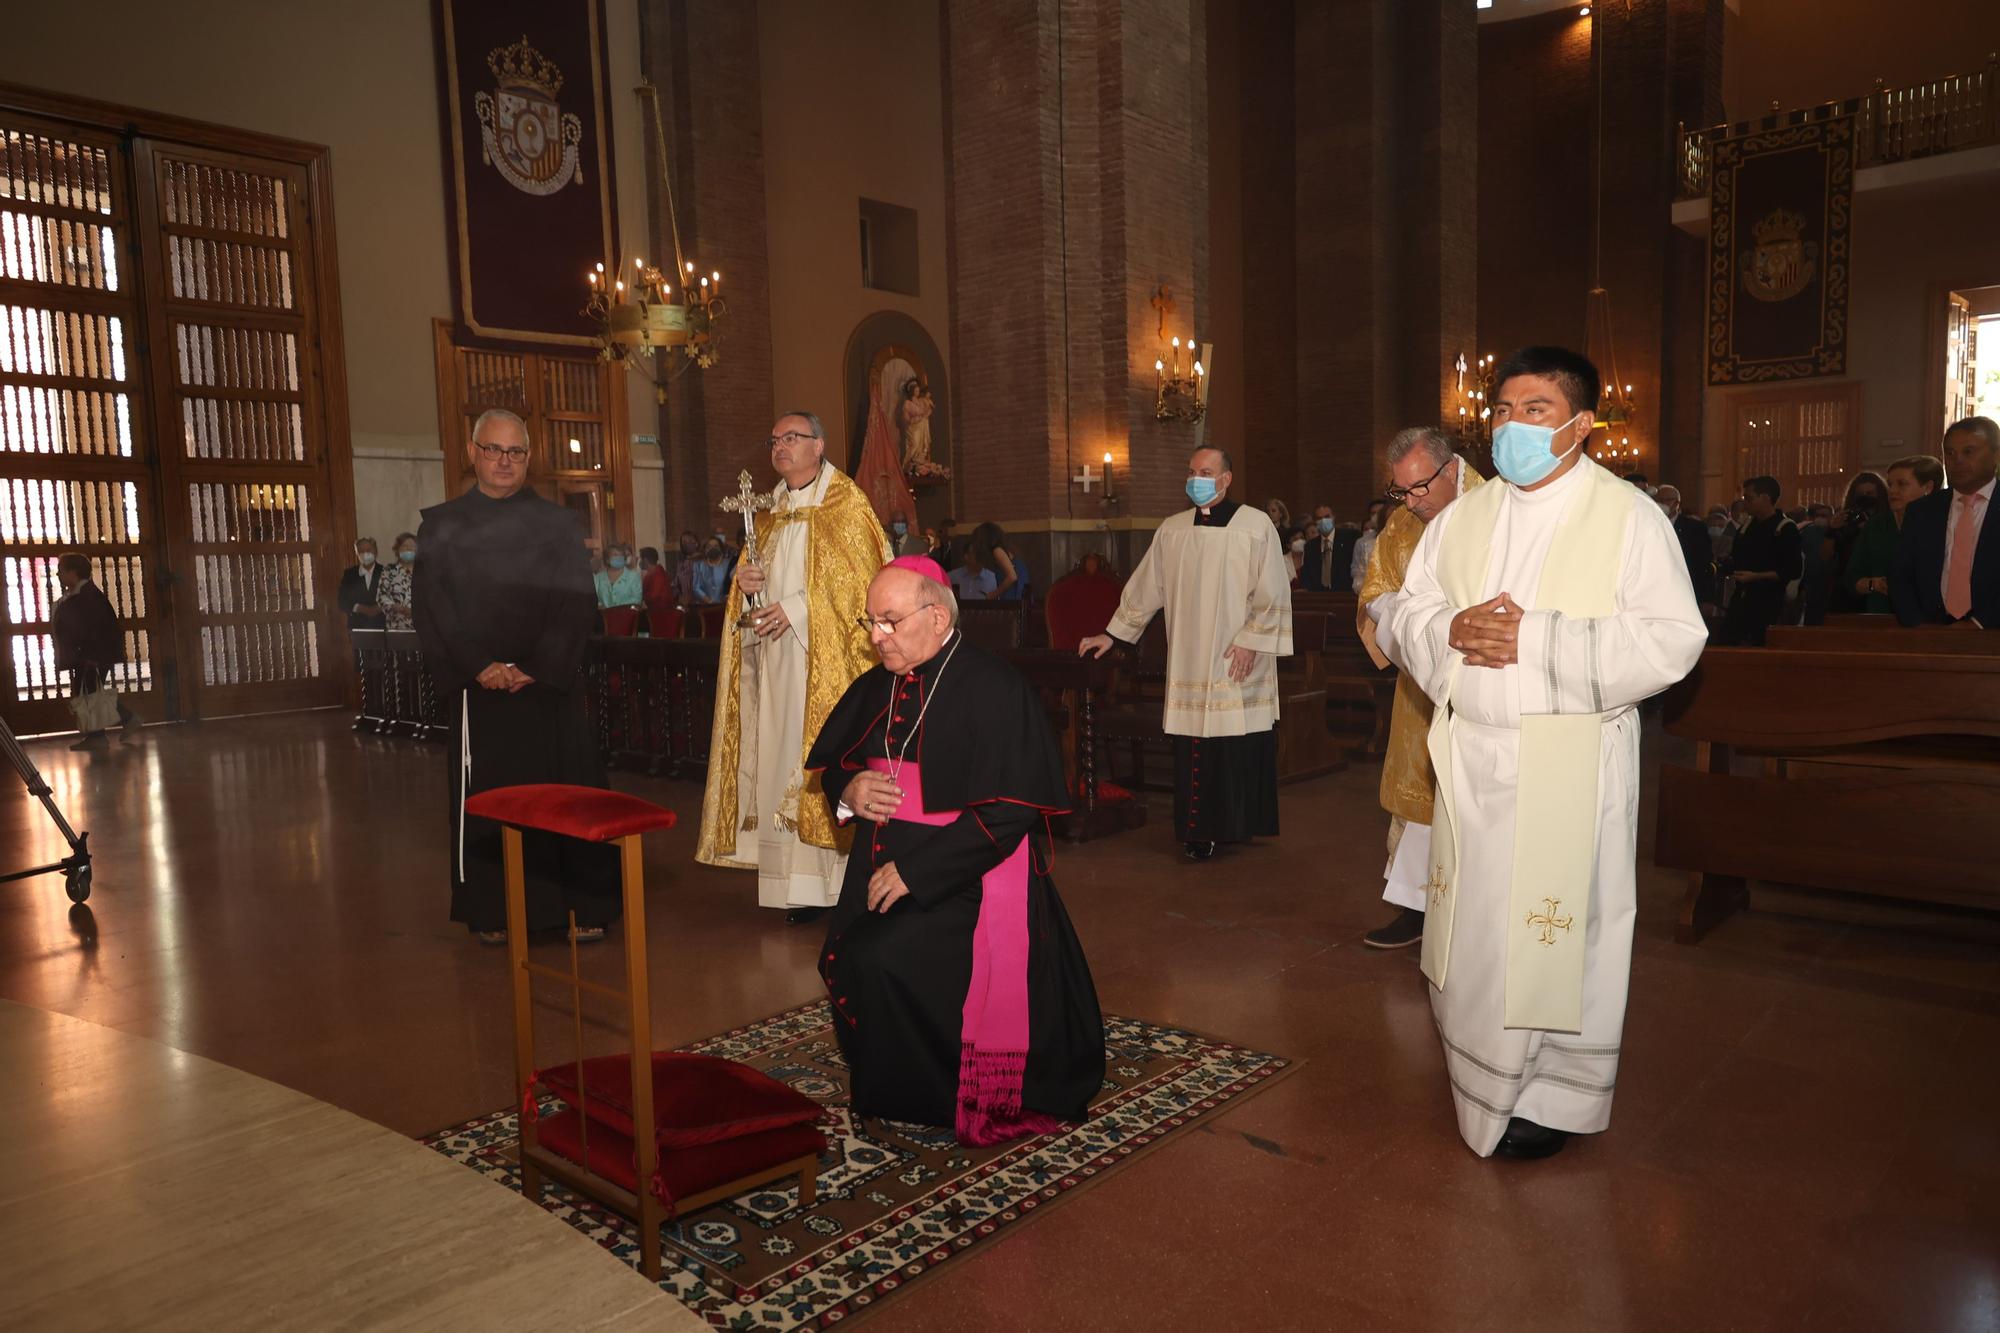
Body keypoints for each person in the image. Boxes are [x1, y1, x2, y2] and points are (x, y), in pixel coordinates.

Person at [1377, 345, 1705, 1160]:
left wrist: (1538, 638)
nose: (1511, 426)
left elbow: (1673, 639)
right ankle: (1479, 1073)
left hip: (1569, 763)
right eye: (1502, 410)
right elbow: (1404, 611)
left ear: (1581, 426)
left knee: (1557, 936)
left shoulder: (1629, 517)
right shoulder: (1460, 518)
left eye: (1536, 411)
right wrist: (1450, 628)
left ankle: (1552, 1095)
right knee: (1482, 932)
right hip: (1474, 761)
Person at [806, 557, 1103, 1142]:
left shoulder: (994, 687)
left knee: (884, 956)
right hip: (878, 860)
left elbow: (1011, 811)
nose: (875, 636)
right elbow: (835, 765)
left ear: (936, 616)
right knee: (853, 951)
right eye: (869, 621)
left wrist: (917, 872)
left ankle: (934, 1096)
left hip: (968, 869)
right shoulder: (876, 685)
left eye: (889, 621)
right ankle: (892, 1084)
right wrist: (849, 789)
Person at [414, 408, 618, 945]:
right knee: (490, 800)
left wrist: (536, 667)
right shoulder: (442, 525)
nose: (504, 461)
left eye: (516, 452)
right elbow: (432, 607)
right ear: (472, 452)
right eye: (493, 449)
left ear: (528, 458)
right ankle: (496, 909)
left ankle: (584, 905)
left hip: (546, 685)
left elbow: (577, 603)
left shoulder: (556, 524)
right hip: (479, 691)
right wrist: (478, 665)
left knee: (568, 794)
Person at [696, 412, 891, 923]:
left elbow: (863, 587)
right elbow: (752, 589)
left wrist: (797, 609)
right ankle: (797, 889)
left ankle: (837, 886)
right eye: (775, 439)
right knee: (780, 760)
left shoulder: (845, 505)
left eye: (792, 438)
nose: (781, 447)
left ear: (819, 445)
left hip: (823, 663)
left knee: (820, 762)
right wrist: (746, 585)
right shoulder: (767, 512)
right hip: (776, 664)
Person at [1080, 446, 1293, 860]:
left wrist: (1252, 640)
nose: (1197, 478)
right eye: (1192, 471)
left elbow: (1274, 589)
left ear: (1226, 479)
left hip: (1239, 652)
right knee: (1198, 745)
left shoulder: (1255, 525)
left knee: (1238, 741)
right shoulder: (1173, 529)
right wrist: (1114, 634)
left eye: (1207, 471)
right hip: (1192, 656)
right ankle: (1201, 831)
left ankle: (1241, 823)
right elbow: (1146, 587)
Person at [1357, 428, 1482, 949]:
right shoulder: (1402, 523)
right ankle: (1415, 907)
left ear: (1450, 468)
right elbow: (1376, 587)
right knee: (1419, 796)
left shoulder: (1499, 513)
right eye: (1401, 492)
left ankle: (1477, 919)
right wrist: (1397, 618)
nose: (1411, 502)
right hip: (1421, 692)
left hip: (1482, 684)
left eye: (1420, 488)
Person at [1891, 416, 2000, 628]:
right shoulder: (1922, 511)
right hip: (1929, 635)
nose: (1957, 460)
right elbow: (1900, 575)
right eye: (1950, 453)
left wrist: (1979, 624)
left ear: (1996, 455)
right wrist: (1918, 624)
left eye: (1969, 452)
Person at [50, 553, 138, 748]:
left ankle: (122, 722)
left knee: (90, 693)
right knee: (88, 692)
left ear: (73, 572)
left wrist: (90, 656)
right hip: (89, 655)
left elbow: (93, 629)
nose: (58, 574)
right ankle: (98, 736)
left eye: (61, 570)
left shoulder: (86, 596)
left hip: (93, 655)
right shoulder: (81, 594)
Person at [1847, 455, 1942, 613]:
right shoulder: (1876, 525)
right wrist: (1874, 584)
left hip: (1929, 620)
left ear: (1928, 487)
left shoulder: (1943, 525)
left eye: (1902, 484)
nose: (1892, 491)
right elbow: (1851, 579)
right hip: (1881, 617)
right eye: (1890, 484)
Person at [1719, 476, 1800, 646]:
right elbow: (1737, 558)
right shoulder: (1746, 527)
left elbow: (1793, 570)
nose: (1744, 502)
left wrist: (1756, 577)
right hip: (1741, 601)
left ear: (1765, 498)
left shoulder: (1785, 528)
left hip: (1769, 603)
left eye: (1748, 498)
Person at [1653, 486, 1715, 611]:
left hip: (1687, 589)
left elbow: (1703, 563)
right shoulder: (1651, 524)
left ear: (1677, 503)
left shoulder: (1694, 528)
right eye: (1659, 500)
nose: (1663, 504)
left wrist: (1706, 598)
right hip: (1657, 589)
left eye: (1668, 500)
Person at [1299, 506, 1357, 593]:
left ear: (1333, 517)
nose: (1323, 520)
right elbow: (1308, 574)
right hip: (1318, 597)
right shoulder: (1310, 546)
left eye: (1327, 517)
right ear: (1315, 521)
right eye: (1319, 518)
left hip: (1345, 595)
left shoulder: (1349, 539)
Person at [1795, 503, 1835, 626]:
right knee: (1811, 616)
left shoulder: (1835, 533)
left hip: (1830, 580)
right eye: (1818, 515)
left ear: (1831, 517)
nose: (1820, 518)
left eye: (1824, 515)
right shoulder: (1807, 532)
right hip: (1811, 581)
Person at [969, 522, 1025, 601]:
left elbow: (1012, 577)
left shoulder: (997, 550)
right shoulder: (1004, 549)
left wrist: (993, 594)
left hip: (1013, 593)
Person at [337, 538, 384, 629]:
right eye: (361, 551)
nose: (365, 553)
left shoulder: (386, 572)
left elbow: (394, 598)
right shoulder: (349, 574)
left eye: (368, 550)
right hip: (357, 626)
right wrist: (359, 607)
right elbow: (342, 601)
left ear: (375, 551)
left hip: (382, 626)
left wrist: (380, 607)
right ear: (357, 553)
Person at [377, 532, 417, 632]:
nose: (408, 549)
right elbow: (381, 596)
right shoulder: (389, 571)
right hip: (397, 626)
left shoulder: (423, 572)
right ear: (397, 550)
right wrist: (400, 609)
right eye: (405, 546)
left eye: (412, 547)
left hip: (421, 628)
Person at [593, 542, 643, 611]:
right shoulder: (598, 578)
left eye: (621, 555)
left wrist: (617, 609)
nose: (619, 558)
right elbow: (595, 601)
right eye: (615, 555)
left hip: (628, 617)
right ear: (607, 559)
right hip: (604, 618)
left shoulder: (634, 576)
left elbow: (637, 601)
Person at [1350, 504, 1386, 594]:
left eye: (1379, 513)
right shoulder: (1363, 541)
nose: (1376, 516)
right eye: (1373, 513)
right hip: (1369, 590)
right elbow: (1355, 567)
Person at [690, 539, 733, 604]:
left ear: (721, 548)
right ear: (705, 550)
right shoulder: (698, 565)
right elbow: (696, 587)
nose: (712, 549)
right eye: (709, 547)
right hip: (704, 607)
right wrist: (709, 601)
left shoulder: (729, 564)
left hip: (725, 606)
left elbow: (733, 585)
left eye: (716, 546)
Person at [672, 531, 702, 604]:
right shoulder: (681, 563)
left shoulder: (702, 561)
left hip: (700, 601)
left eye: (688, 541)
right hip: (684, 602)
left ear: (696, 543)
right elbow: (677, 583)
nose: (685, 544)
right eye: (683, 542)